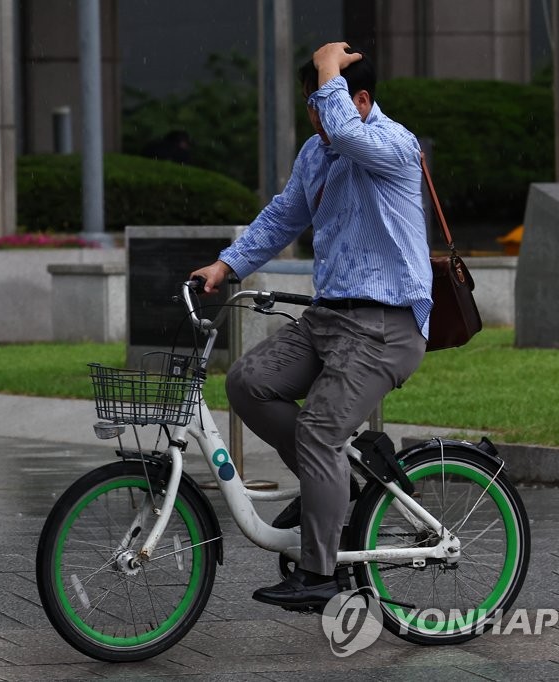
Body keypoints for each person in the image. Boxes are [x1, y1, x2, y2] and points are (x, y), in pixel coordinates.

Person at [190, 42, 433, 610]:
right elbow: (283, 214)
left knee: (320, 432)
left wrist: (329, 68)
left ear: (361, 99)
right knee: (247, 383)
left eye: (322, 99)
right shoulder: (316, 153)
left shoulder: (394, 144)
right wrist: (228, 264)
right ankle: (336, 490)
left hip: (384, 327)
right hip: (329, 320)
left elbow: (348, 133)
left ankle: (322, 574)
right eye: (311, 102)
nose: (314, 115)